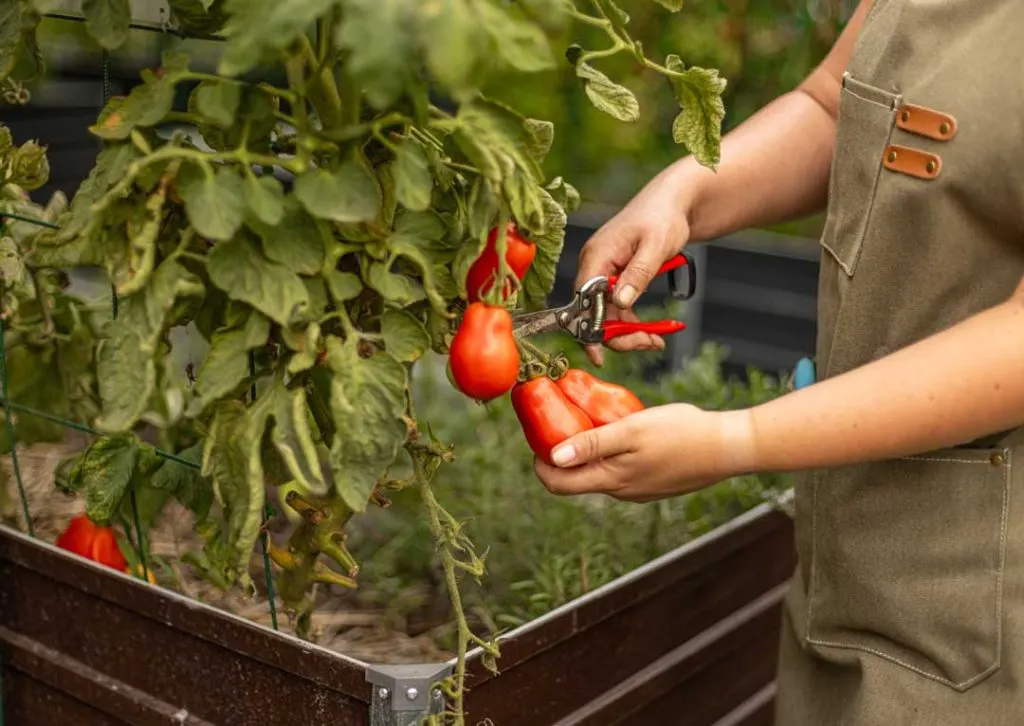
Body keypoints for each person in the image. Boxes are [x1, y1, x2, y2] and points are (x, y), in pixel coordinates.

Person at [533, 0, 1024, 723]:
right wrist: (686, 193)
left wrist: (740, 439)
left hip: (982, 606)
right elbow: (838, 106)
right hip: (856, 563)